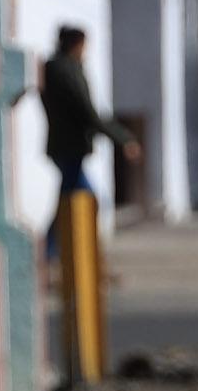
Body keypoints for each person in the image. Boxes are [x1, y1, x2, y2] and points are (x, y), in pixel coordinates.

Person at [38, 25, 139, 251]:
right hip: (69, 146)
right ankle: (55, 253)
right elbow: (88, 112)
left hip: (66, 146)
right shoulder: (66, 71)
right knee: (82, 200)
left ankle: (57, 253)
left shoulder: (59, 69)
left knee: (72, 201)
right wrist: (123, 139)